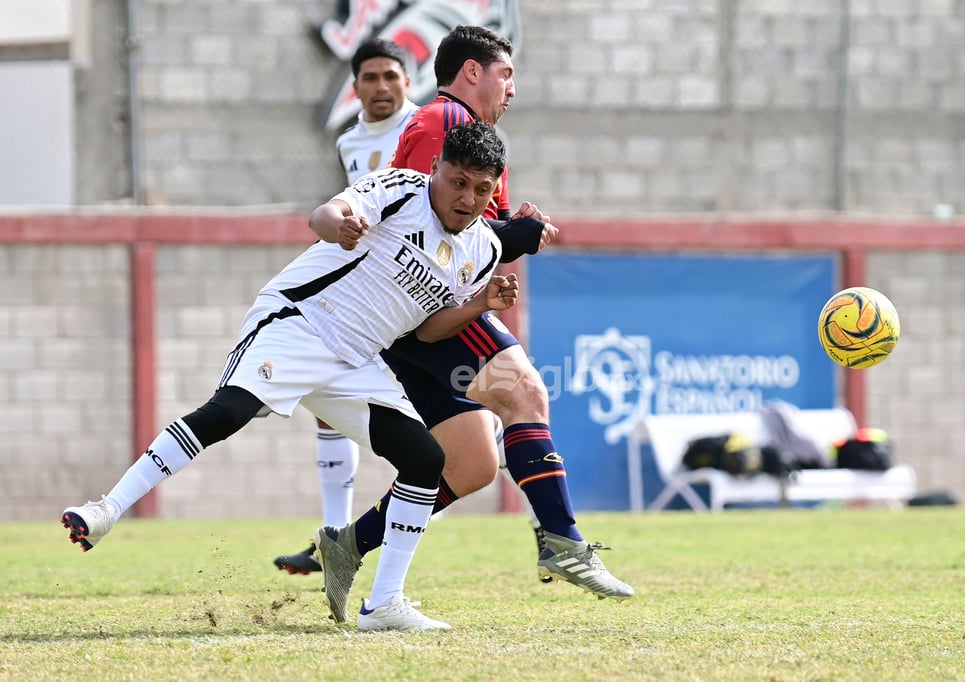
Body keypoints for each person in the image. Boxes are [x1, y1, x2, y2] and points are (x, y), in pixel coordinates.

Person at [62, 122, 519, 631]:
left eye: (482, 189)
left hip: (357, 360)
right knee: (228, 411)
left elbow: (430, 331)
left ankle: (384, 603)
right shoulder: (399, 189)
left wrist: (480, 304)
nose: (467, 198)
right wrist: (337, 226)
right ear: (436, 169)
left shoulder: (483, 252)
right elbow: (324, 214)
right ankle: (106, 510)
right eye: (458, 182)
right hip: (299, 323)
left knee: (425, 459)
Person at [313, 25, 633, 627]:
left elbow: (483, 225)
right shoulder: (441, 123)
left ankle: (348, 546)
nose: (512, 87)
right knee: (526, 391)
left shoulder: (475, 137)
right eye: (505, 73)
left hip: (427, 309)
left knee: (471, 466)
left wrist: (519, 227)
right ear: (471, 73)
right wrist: (517, 239)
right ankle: (562, 540)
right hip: (427, 304)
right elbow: (424, 222)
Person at [273, 38, 420, 577]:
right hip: (365, 293)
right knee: (328, 407)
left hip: (417, 292)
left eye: (391, 77)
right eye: (370, 78)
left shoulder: (424, 127)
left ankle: (511, 459)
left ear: (409, 81)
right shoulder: (349, 142)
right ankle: (332, 537)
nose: (382, 87)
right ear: (353, 86)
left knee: (448, 420)